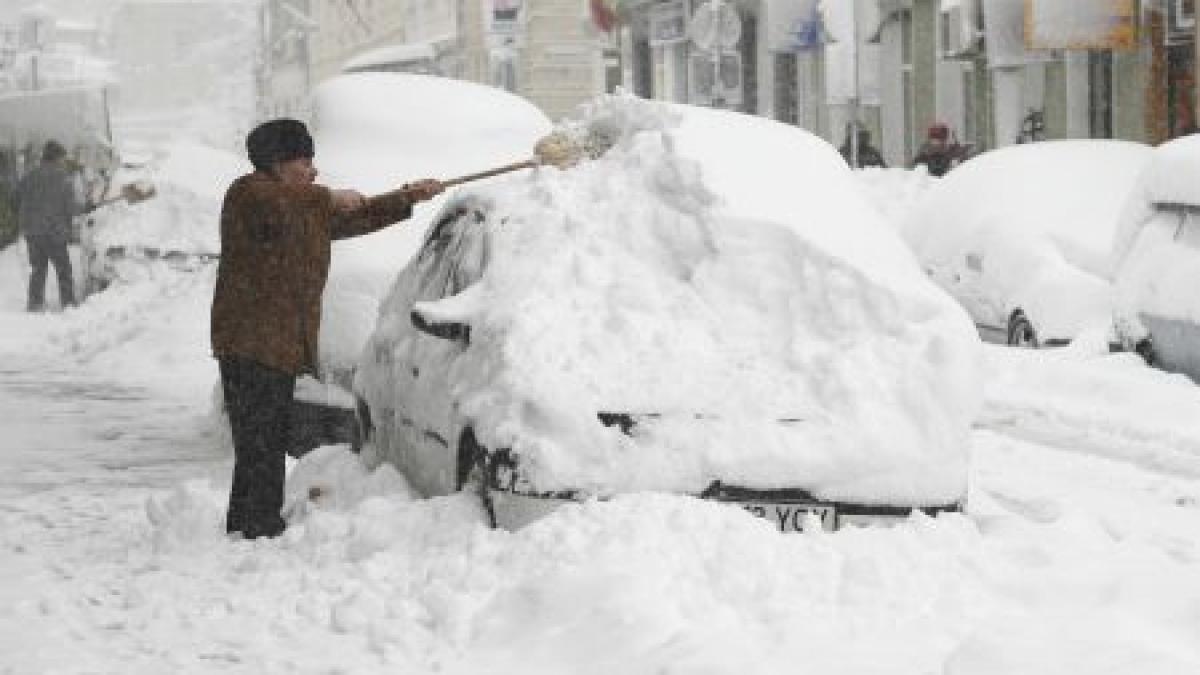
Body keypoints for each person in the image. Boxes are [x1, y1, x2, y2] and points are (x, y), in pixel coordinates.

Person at [211, 118, 444, 539]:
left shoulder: (298, 206)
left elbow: (352, 216)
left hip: (275, 341)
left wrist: (407, 196)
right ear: (278, 164)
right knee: (258, 440)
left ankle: (249, 521)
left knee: (264, 438)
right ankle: (258, 525)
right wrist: (331, 196)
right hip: (250, 340)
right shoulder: (250, 194)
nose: (313, 170)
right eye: (305, 161)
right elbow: (291, 202)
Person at [14, 140, 85, 311]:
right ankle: (68, 305)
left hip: (33, 232)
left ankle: (35, 304)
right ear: (56, 157)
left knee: (38, 269)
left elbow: (16, 198)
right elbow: (72, 208)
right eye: (62, 157)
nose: (63, 161)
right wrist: (87, 206)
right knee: (64, 271)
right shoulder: (64, 179)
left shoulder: (29, 176)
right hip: (55, 233)